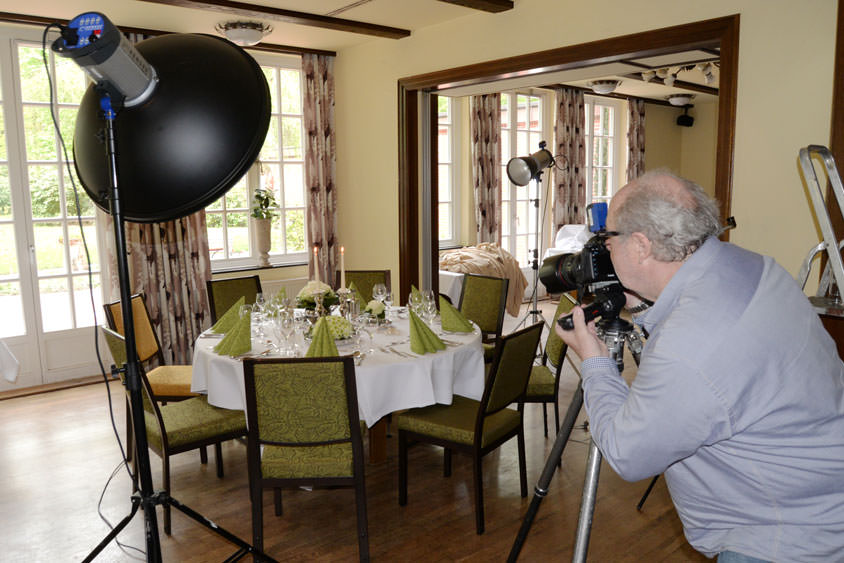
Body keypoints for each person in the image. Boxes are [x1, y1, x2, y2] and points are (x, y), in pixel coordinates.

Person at [557, 170, 844, 562]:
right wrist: (641, 306)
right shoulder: (754, 266)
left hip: (781, 539)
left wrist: (593, 360)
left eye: (608, 237)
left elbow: (627, 453)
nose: (603, 248)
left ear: (640, 246)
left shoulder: (689, 349)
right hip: (822, 490)